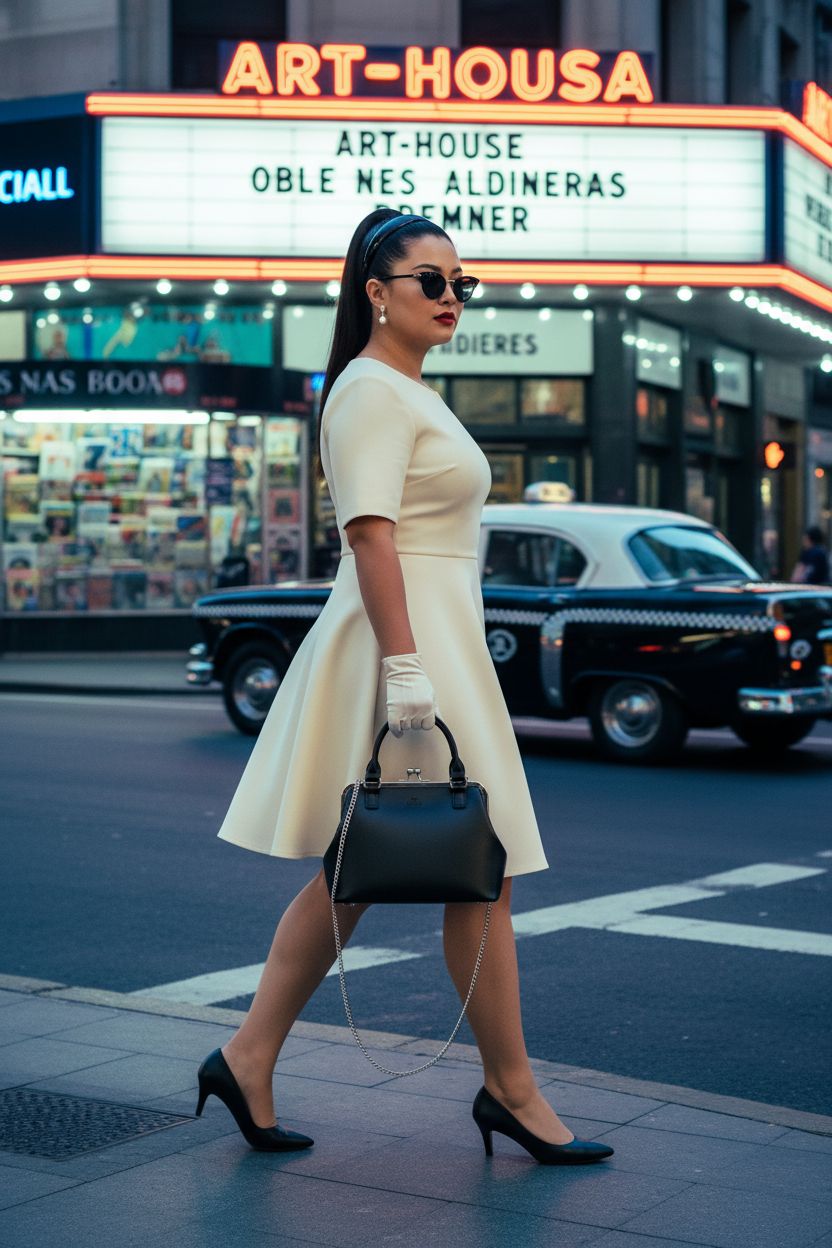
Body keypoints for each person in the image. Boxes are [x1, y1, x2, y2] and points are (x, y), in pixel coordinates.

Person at [196, 209, 614, 1167]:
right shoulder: (371, 391)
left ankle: (247, 1056)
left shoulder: (405, 391)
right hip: (408, 647)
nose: (452, 296)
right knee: (480, 864)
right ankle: (510, 1091)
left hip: (431, 641)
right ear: (376, 291)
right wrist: (405, 668)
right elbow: (371, 535)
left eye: (463, 282)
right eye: (432, 279)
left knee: (362, 868)